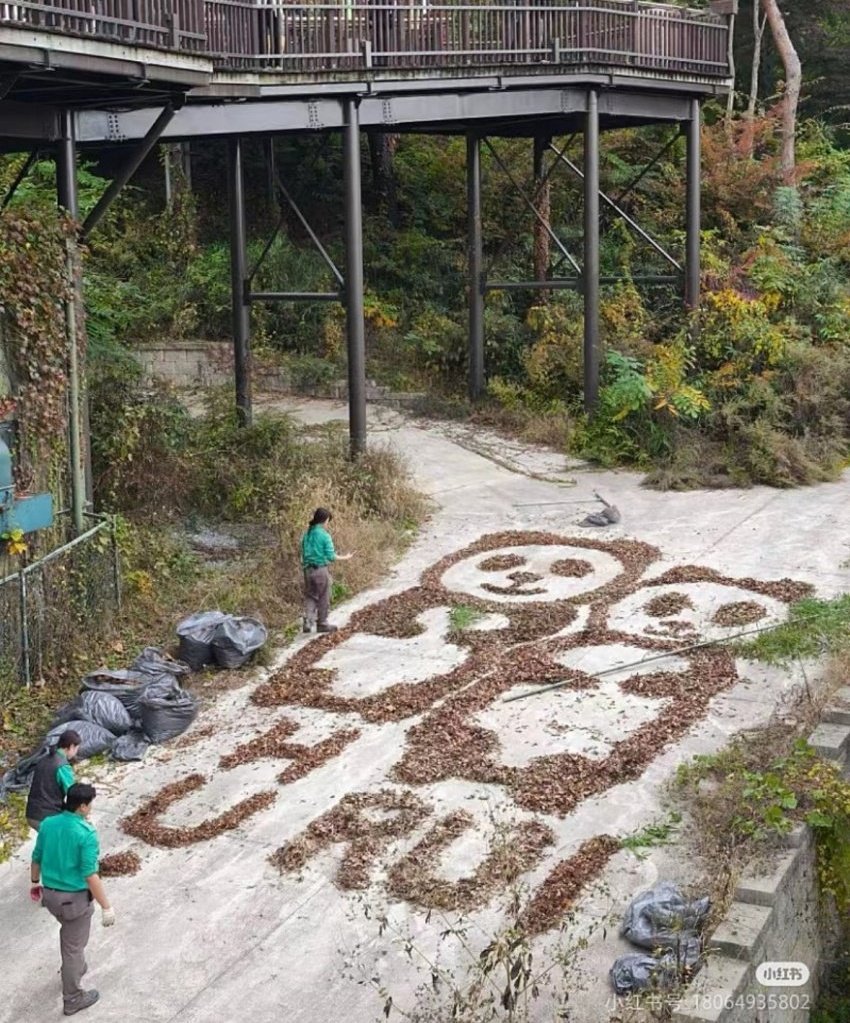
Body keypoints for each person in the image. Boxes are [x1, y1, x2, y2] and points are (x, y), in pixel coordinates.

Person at [30, 783, 115, 1016]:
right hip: (74, 901)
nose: (91, 809)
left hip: (51, 896)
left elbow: (36, 856)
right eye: (90, 805)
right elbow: (90, 874)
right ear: (82, 806)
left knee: (70, 939)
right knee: (73, 949)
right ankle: (73, 998)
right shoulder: (85, 834)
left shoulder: (48, 824)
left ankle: (75, 968)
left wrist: (35, 883)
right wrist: (106, 906)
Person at [300, 507, 353, 634]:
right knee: (323, 596)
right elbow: (331, 556)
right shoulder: (324, 535)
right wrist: (346, 557)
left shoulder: (306, 534)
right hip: (320, 570)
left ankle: (308, 619)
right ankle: (322, 623)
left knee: (310, 596)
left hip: (307, 569)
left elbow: (302, 553)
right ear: (325, 520)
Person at [25, 729, 81, 831]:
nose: (76, 752)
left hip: (32, 814)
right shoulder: (62, 766)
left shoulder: (44, 759)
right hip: (46, 816)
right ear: (71, 746)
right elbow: (73, 793)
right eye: (77, 748)